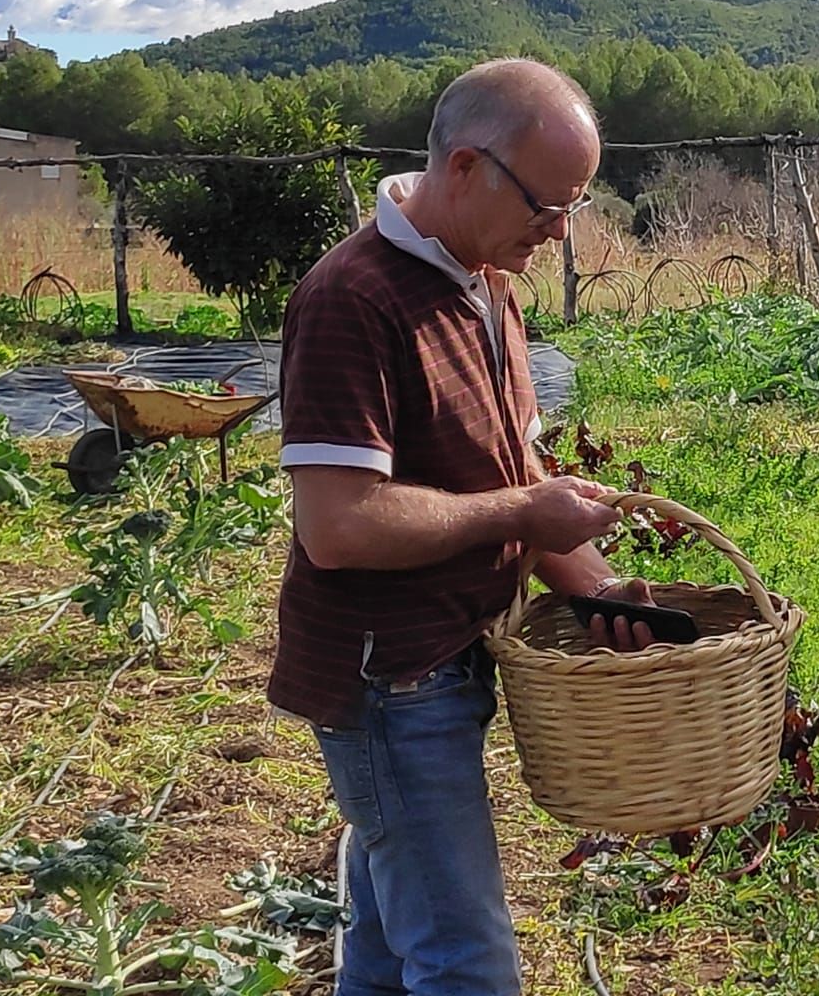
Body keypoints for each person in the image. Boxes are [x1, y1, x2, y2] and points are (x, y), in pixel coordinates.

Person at [269, 58, 651, 996]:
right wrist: (523, 512)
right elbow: (338, 525)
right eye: (546, 205)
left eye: (574, 206)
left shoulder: (485, 281)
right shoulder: (352, 298)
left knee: (387, 950)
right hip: (392, 683)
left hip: (453, 658)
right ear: (468, 167)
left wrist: (604, 595)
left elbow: (516, 475)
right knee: (466, 962)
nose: (559, 231)